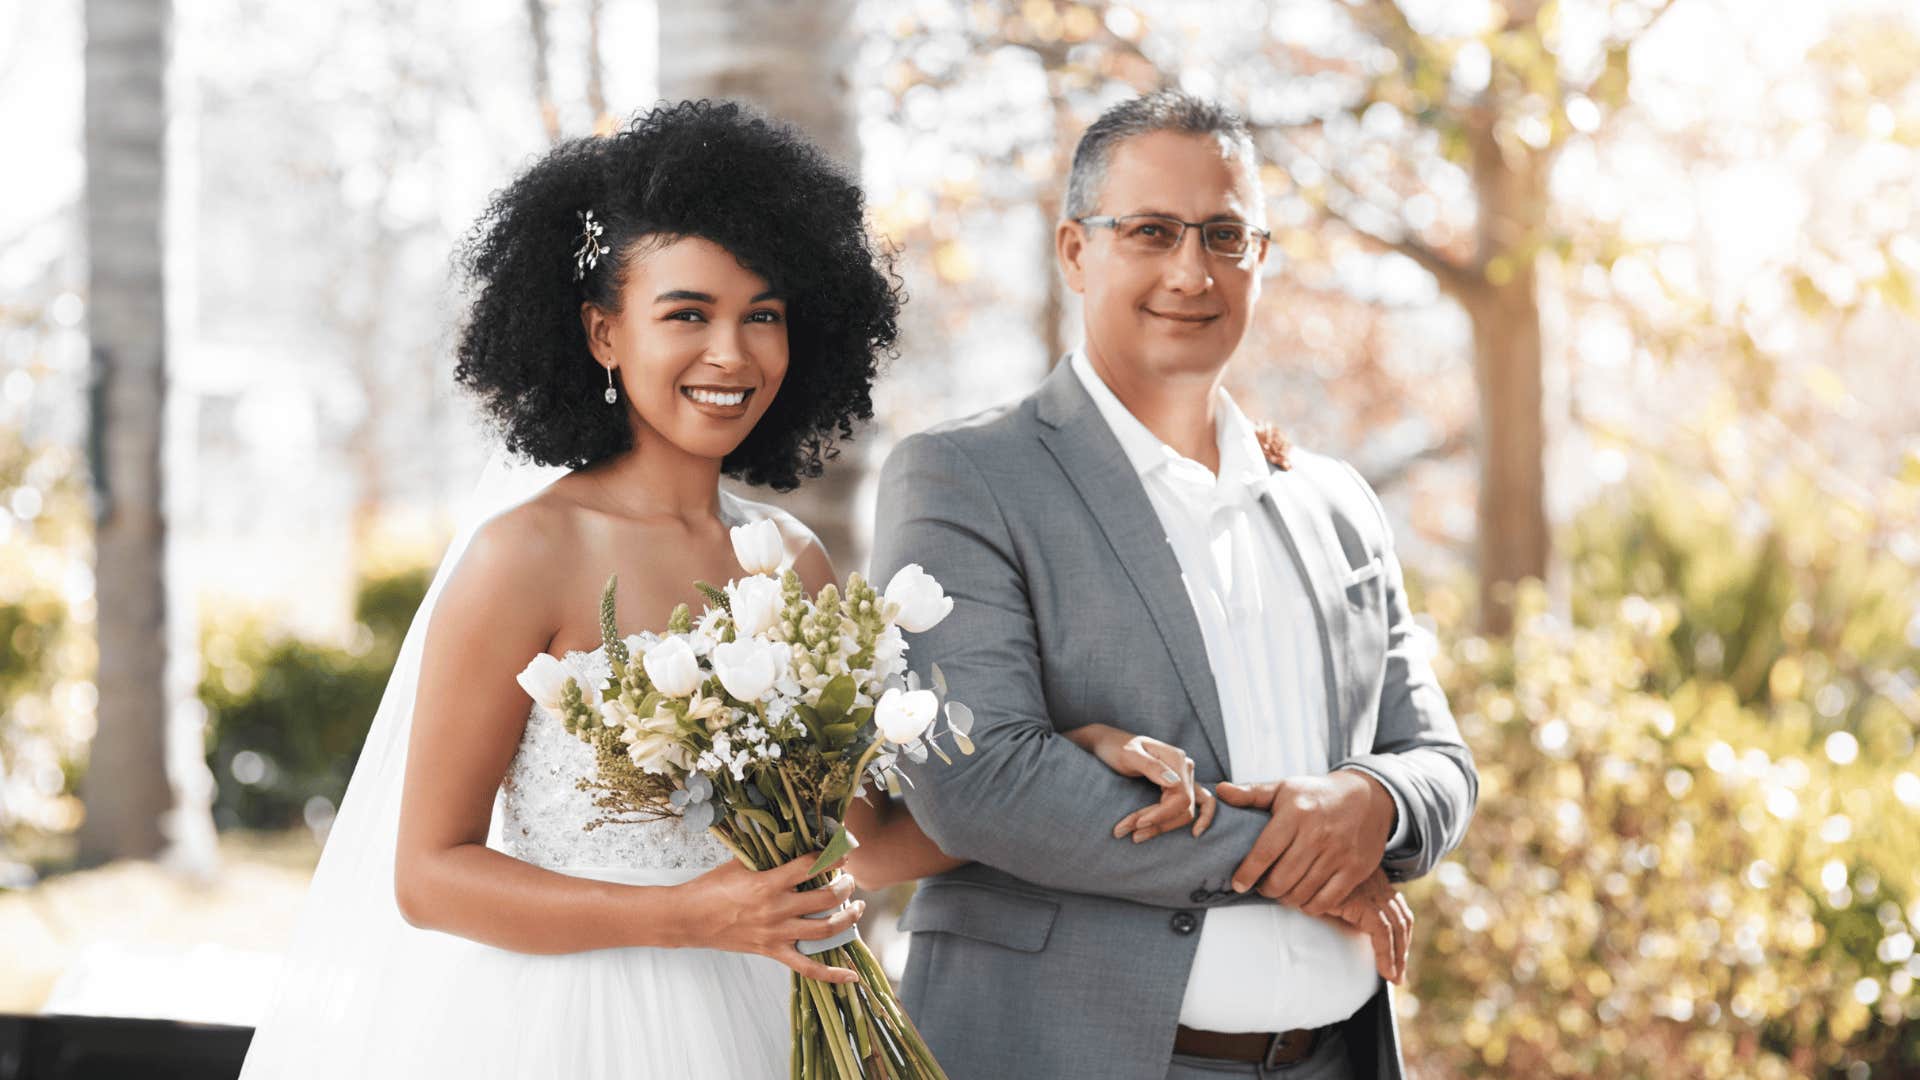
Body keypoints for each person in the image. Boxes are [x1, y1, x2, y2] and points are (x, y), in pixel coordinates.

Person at [240, 100, 901, 1078]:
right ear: (601, 333)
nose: (733, 353)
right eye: (688, 314)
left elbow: (861, 835)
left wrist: (1063, 760)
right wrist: (683, 917)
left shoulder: (792, 560)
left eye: (763, 315)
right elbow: (430, 877)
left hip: (770, 1012)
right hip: (572, 1027)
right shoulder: (526, 555)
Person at [869, 90, 1479, 1080]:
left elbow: (1439, 759)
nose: (1192, 271)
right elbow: (978, 781)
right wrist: (1302, 862)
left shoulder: (1337, 503)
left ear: (1262, 258)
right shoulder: (965, 476)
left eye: (1225, 236)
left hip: (1334, 1059)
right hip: (1067, 1053)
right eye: (1150, 232)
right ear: (1075, 250)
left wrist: (1375, 803)